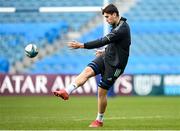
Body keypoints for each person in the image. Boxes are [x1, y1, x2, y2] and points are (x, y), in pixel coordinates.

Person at [53, 4, 131, 128]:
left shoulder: (123, 28)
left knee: (101, 92)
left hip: (116, 66)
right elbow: (115, 44)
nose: (106, 20)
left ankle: (99, 120)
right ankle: (66, 91)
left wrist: (82, 45)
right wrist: (105, 51)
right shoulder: (116, 25)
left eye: (107, 17)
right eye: (105, 17)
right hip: (106, 57)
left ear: (115, 14)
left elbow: (103, 40)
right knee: (87, 71)